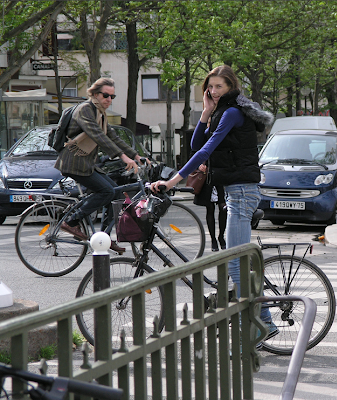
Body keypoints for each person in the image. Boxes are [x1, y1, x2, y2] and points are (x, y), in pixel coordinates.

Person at [151, 65, 278, 339]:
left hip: (242, 192)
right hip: (235, 192)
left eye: (219, 86)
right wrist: (206, 112)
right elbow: (197, 143)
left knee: (235, 264)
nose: (213, 91)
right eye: (210, 86)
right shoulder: (221, 111)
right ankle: (266, 322)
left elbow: (207, 149)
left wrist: (173, 181)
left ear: (231, 86)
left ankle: (255, 330)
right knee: (237, 263)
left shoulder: (232, 112)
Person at [55, 77, 146, 253]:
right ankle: (71, 222)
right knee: (107, 191)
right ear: (95, 94)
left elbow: (113, 136)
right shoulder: (85, 110)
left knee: (117, 193)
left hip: (86, 164)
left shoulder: (99, 113)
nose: (109, 100)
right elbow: (98, 136)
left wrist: (135, 155)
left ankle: (104, 237)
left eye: (113, 96)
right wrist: (122, 157)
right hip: (74, 163)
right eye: (106, 95)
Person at [194, 163, 226, 252]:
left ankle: (221, 236)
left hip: (221, 176)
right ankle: (213, 239)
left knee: (223, 208)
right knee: (210, 209)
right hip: (207, 178)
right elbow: (193, 155)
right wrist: (199, 165)